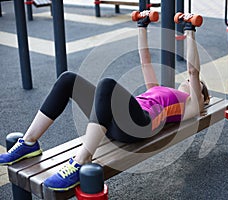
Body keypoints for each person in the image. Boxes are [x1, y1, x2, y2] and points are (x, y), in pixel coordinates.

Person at [0, 11, 210, 191]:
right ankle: (29, 142)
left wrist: (190, 31)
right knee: (68, 79)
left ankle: (81, 161)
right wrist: (141, 26)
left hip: (139, 127)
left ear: (203, 97)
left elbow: (193, 70)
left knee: (107, 84)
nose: (190, 81)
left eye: (197, 84)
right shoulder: (157, 89)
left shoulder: (193, 105)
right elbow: (144, 58)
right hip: (115, 121)